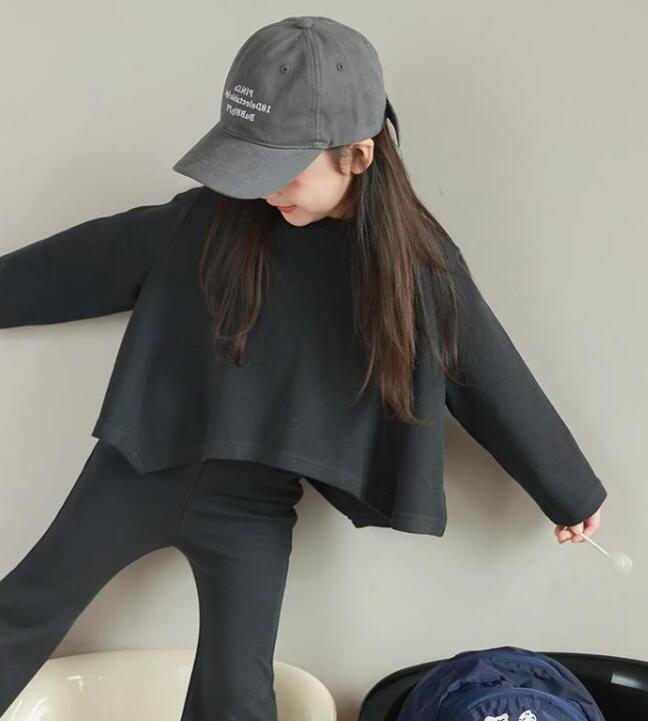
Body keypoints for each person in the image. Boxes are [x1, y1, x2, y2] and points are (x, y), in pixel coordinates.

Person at [0, 15, 607, 721]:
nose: (262, 192)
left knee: (238, 691)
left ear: (358, 155)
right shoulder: (208, 222)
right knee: (24, 609)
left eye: (279, 172)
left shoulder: (416, 269)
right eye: (246, 168)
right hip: (140, 461)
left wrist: (569, 491)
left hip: (254, 505)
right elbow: (76, 265)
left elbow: (490, 374)